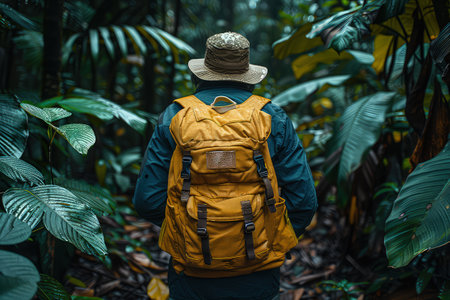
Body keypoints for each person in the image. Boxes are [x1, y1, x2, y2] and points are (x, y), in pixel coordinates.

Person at [133, 32, 317, 300]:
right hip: (259, 269)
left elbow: (147, 201)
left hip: (191, 272)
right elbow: (304, 201)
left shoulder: (175, 116)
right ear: (248, 76)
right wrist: (269, 235)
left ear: (200, 75)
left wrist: (187, 229)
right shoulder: (272, 117)